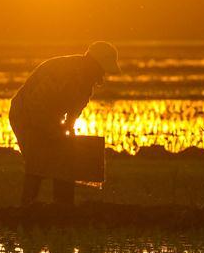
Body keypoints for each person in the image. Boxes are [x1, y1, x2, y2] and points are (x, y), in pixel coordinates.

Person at [9, 41, 121, 206]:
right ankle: (27, 208)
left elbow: (74, 111)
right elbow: (37, 105)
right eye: (101, 69)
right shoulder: (64, 73)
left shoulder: (86, 81)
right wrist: (52, 131)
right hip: (24, 114)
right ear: (93, 62)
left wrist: (68, 131)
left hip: (49, 116)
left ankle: (63, 207)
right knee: (38, 161)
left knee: (65, 158)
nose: (102, 75)